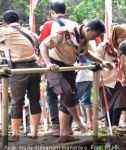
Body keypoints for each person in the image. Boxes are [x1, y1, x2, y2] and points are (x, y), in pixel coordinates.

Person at [40, 19, 113, 142]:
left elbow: (85, 54)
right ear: (88, 29)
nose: (94, 39)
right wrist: (48, 63)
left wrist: (102, 61)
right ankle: (80, 123)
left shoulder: (83, 39)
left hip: (69, 67)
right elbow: (43, 45)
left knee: (69, 99)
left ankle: (64, 135)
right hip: (54, 65)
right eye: (94, 35)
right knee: (67, 94)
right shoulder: (64, 33)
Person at [0, 10, 41, 142]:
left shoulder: (5, 31)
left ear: (4, 22)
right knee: (34, 99)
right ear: (18, 20)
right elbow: (36, 40)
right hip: (34, 67)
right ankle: (35, 132)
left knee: (17, 102)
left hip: (19, 68)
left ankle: (15, 134)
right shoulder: (28, 31)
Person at [39, 1, 69, 135]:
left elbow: (43, 44)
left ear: (52, 12)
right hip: (69, 64)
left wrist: (44, 63)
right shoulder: (71, 24)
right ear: (65, 11)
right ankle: (67, 126)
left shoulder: (49, 24)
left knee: (51, 94)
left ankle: (56, 125)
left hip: (53, 64)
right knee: (68, 94)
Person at [97, 24, 126, 127]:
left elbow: (125, 65)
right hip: (105, 80)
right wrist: (97, 80)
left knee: (120, 101)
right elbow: (96, 62)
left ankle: (115, 124)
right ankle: (110, 126)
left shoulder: (124, 48)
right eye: (121, 37)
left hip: (119, 80)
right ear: (115, 35)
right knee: (108, 105)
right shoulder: (104, 46)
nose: (123, 39)